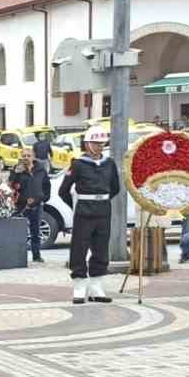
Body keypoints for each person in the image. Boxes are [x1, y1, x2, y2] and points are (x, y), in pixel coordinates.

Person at [58, 125, 121, 304]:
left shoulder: (109, 163)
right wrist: (77, 204)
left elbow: (115, 188)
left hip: (103, 211)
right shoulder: (77, 164)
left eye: (102, 143)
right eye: (95, 143)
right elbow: (63, 191)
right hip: (84, 212)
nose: (99, 147)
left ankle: (96, 287)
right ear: (87, 144)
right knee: (79, 249)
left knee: (101, 250)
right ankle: (79, 287)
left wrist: (101, 200)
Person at [12, 152, 50, 263]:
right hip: (21, 205)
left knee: (35, 232)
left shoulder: (40, 170)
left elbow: (46, 185)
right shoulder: (18, 169)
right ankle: (18, 257)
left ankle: (36, 256)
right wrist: (16, 173)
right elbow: (11, 185)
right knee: (19, 233)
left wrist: (44, 198)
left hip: (36, 205)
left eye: (28, 156)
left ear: (33, 157)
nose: (26, 158)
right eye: (23, 156)